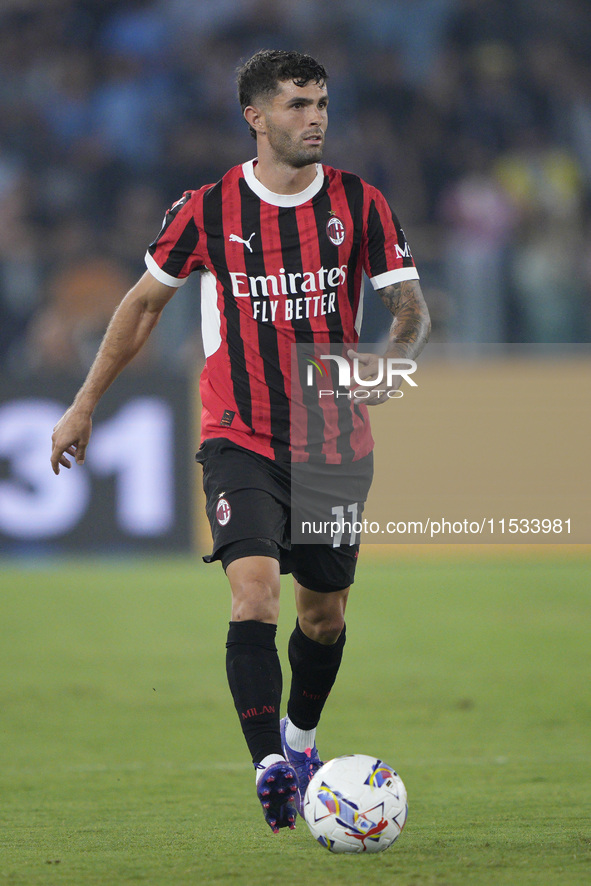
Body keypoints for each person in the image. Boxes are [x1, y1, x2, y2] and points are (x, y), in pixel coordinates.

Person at [50, 49, 430, 835]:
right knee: (252, 591)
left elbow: (411, 309)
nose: (314, 117)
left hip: (333, 442)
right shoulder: (207, 208)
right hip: (240, 434)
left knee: (322, 616)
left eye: (321, 101)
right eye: (296, 104)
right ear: (255, 117)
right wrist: (84, 403)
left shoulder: (360, 204)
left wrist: (395, 357)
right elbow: (144, 306)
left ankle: (298, 740)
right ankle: (268, 766)